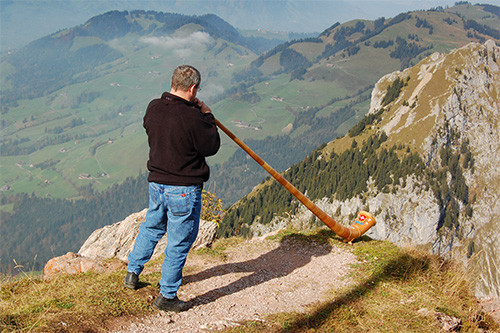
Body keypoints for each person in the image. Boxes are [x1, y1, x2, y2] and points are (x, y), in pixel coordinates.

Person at [124, 65, 220, 312]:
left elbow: (151, 126)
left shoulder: (154, 107)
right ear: (193, 88)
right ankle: (167, 296)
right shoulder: (193, 118)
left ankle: (132, 272)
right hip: (184, 188)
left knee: (152, 226)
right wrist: (207, 115)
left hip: (157, 183)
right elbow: (211, 146)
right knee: (179, 240)